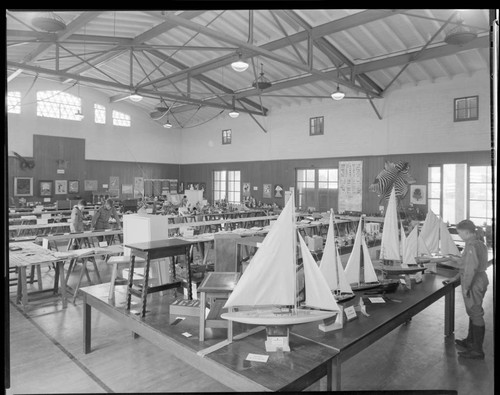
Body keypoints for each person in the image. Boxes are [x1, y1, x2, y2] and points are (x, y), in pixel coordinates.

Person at [442, 219, 489, 360]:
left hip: (474, 282)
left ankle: (477, 351)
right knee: (473, 311)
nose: (459, 235)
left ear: (466, 232)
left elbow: (469, 270)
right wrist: (455, 278)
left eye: (459, 232)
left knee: (475, 313)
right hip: (480, 278)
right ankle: (471, 341)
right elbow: (466, 266)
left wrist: (466, 288)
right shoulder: (480, 243)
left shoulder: (471, 247)